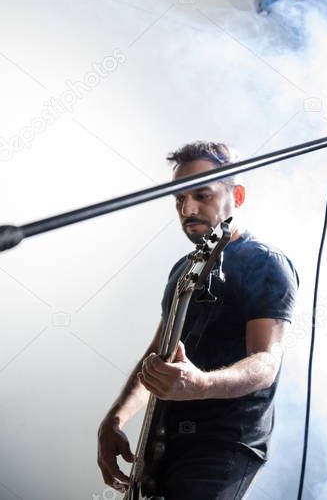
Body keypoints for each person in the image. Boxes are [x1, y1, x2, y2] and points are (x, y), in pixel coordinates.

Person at [96, 141, 299, 499]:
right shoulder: (183, 269)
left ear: (236, 194)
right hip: (164, 440)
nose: (187, 208)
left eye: (201, 196)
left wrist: (200, 384)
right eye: (178, 198)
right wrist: (115, 419)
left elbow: (266, 363)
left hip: (222, 446)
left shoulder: (266, 263)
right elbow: (157, 356)